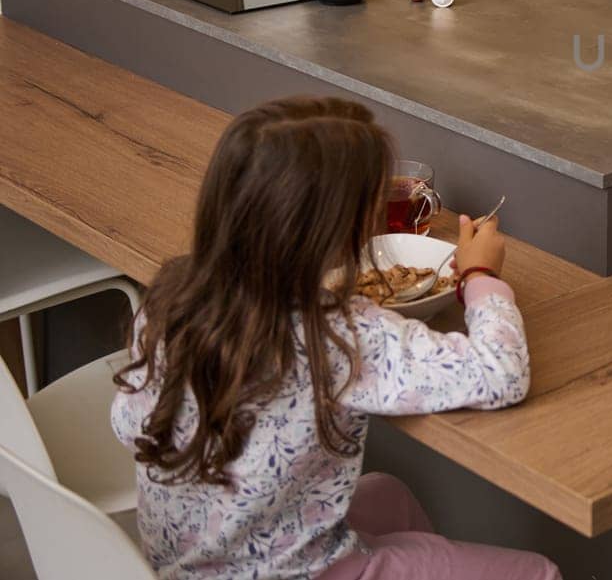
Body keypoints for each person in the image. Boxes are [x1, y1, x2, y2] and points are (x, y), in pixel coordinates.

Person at [110, 96, 561, 580]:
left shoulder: (169, 299)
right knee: (536, 572)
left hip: (186, 565)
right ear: (335, 229)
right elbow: (501, 374)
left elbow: (125, 423)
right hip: (296, 574)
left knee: (388, 493)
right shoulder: (337, 334)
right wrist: (478, 273)